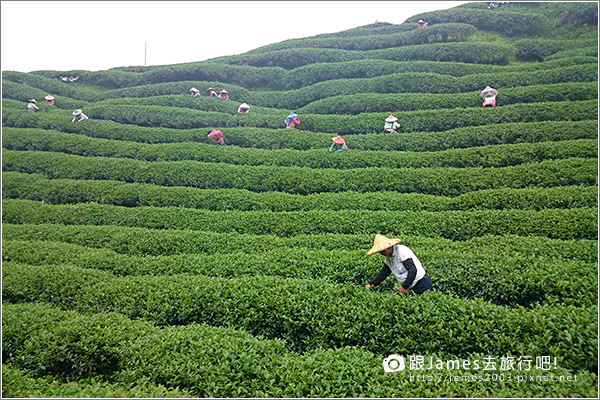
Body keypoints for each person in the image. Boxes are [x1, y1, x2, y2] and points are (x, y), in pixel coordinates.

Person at [365, 234, 432, 295]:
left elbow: (412, 270)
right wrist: (371, 284)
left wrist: (404, 286)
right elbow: (383, 273)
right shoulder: (388, 258)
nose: (382, 253)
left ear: (389, 247)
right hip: (409, 286)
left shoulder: (401, 251)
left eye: (382, 251)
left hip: (421, 284)